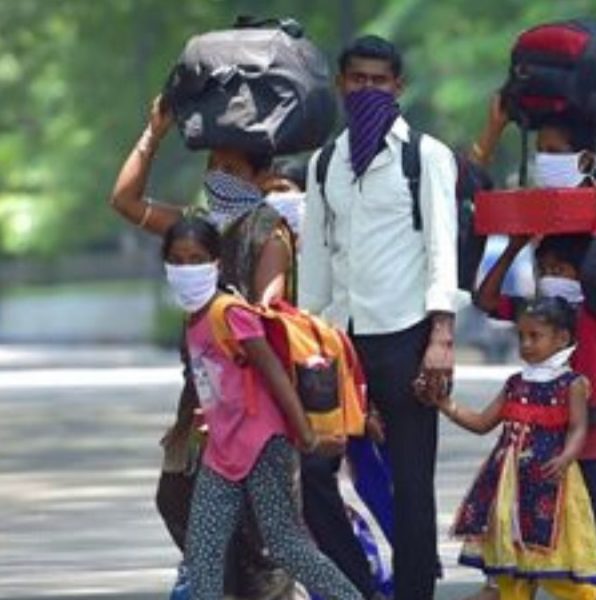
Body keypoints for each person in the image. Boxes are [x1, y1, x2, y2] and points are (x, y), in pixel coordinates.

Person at [109, 96, 299, 599]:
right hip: (198, 398)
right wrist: (153, 134)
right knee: (178, 497)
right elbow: (125, 202)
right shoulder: (198, 225)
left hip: (249, 404)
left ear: (260, 179)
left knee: (259, 529)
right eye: (212, 165)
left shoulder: (268, 232)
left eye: (232, 168)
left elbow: (269, 311)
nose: (218, 175)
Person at [472, 108, 596, 600]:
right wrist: (516, 246)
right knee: (531, 516)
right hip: (542, 431)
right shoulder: (544, 315)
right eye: (543, 151)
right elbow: (488, 300)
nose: (546, 160)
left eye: (558, 152)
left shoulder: (592, 311)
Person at [298, 35, 459, 600]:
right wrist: (307, 341)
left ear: (398, 87)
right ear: (342, 85)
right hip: (339, 344)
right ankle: (359, 587)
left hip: (408, 338)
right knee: (316, 473)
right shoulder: (324, 165)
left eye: (379, 80)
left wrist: (442, 337)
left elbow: (443, 249)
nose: (368, 89)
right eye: (358, 79)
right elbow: (315, 261)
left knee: (413, 485)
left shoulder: (426, 156)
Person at [159, 216, 364, 600]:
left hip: (263, 445)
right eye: (177, 259)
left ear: (216, 263)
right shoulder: (194, 317)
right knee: (203, 552)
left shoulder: (229, 311)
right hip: (223, 450)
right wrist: (182, 425)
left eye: (196, 258)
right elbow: (198, 376)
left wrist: (302, 430)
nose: (187, 268)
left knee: (286, 543)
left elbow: (272, 370)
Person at [434, 296, 596, 599]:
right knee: (511, 571)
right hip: (507, 486)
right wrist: (445, 405)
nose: (525, 344)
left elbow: (579, 427)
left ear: (562, 338)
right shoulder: (515, 383)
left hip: (551, 484)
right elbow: (481, 422)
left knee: (554, 561)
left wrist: (567, 457)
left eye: (535, 336)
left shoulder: (572, 384)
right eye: (521, 336)